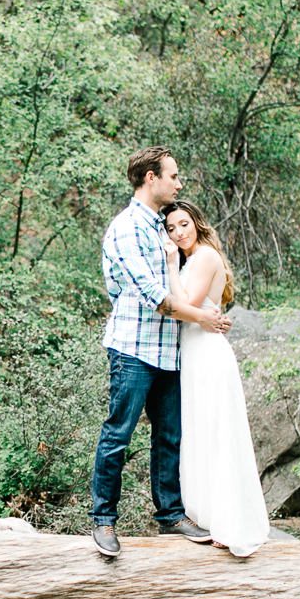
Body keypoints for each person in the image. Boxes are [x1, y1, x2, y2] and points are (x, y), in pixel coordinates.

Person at [89, 146, 233, 558]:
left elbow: (181, 282)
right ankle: (103, 521)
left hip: (169, 351)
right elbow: (155, 296)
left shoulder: (158, 227)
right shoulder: (126, 227)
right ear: (151, 178)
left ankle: (170, 514)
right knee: (118, 434)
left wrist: (203, 311)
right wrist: (204, 318)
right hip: (133, 348)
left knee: (169, 437)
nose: (178, 182)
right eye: (172, 175)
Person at [164, 200, 271, 557]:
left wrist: (168, 265)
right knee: (201, 432)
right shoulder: (191, 260)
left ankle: (229, 522)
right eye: (171, 229)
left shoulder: (205, 256)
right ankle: (206, 516)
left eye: (183, 224)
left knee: (217, 431)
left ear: (196, 221)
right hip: (194, 354)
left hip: (208, 353)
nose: (179, 232)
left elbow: (188, 306)